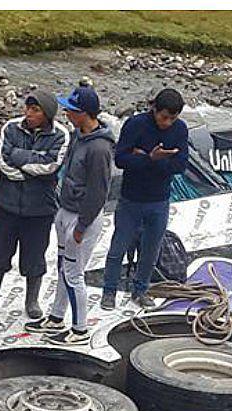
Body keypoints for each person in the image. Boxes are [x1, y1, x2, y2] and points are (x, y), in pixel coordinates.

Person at [24, 86, 114, 346]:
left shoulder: (99, 148)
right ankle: (56, 317)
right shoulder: (78, 135)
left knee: (75, 274)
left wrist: (82, 225)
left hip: (82, 218)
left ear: (84, 114)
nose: (66, 113)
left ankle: (80, 329)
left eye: (71, 110)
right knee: (64, 267)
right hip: (65, 210)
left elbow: (99, 191)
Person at [0, 91, 70, 318]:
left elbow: (50, 166)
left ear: (47, 114)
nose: (29, 113)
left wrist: (19, 157)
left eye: (35, 110)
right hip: (7, 206)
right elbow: (1, 160)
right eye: (28, 108)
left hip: (39, 209)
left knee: (35, 256)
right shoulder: (10, 127)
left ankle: (31, 301)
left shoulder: (61, 135)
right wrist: (28, 166)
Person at [100, 88, 189, 310]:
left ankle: (140, 290)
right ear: (154, 109)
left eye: (172, 118)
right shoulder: (136, 124)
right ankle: (108, 291)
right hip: (131, 198)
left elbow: (180, 165)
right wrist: (150, 158)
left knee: (151, 250)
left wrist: (151, 159)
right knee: (118, 247)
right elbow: (120, 159)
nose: (167, 123)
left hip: (159, 199)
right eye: (163, 116)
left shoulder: (180, 129)